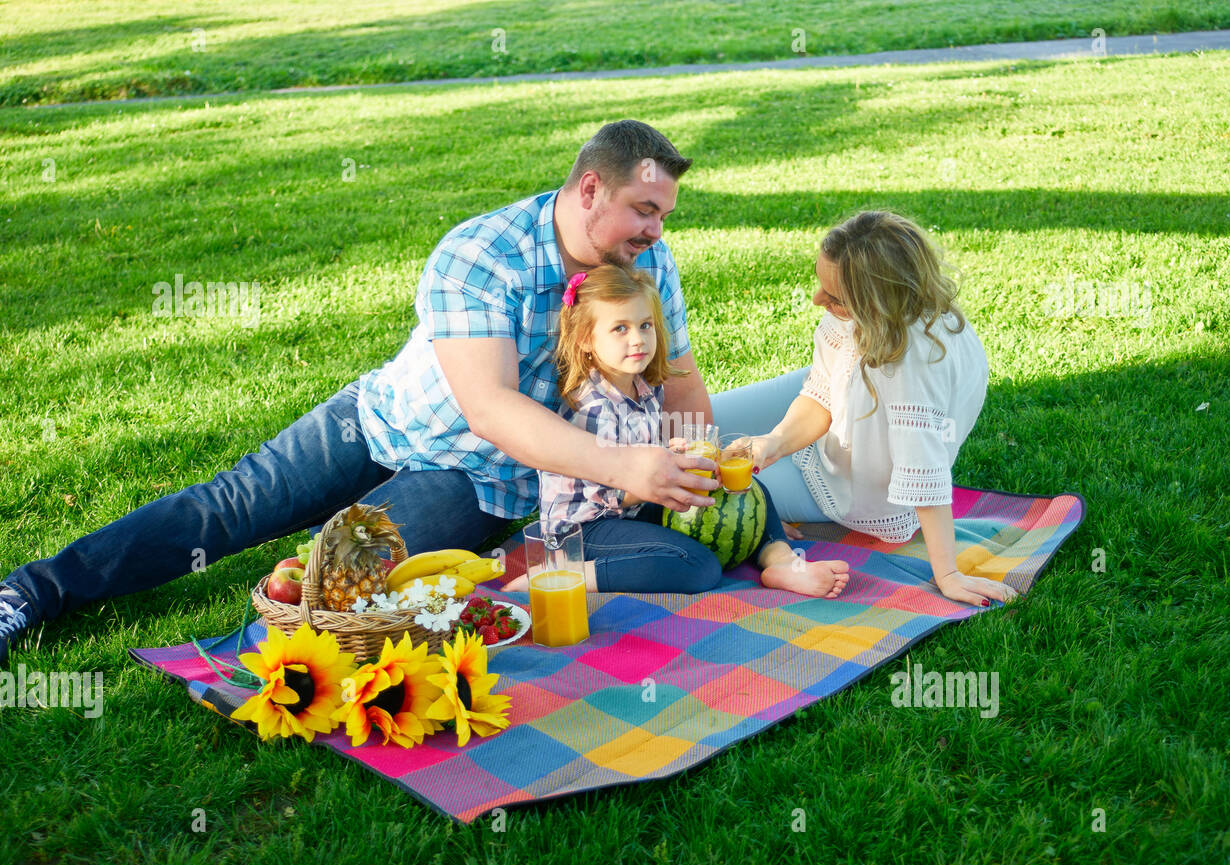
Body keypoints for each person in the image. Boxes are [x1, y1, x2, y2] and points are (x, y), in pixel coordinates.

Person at [0, 120, 719, 664]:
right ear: (590, 189)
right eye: (644, 210)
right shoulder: (482, 254)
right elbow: (491, 406)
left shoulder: (649, 265)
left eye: (663, 216)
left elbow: (679, 375)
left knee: (340, 567)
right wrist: (622, 464)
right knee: (231, 504)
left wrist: (691, 459)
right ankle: (32, 591)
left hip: (479, 480)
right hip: (382, 419)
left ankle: (237, 666)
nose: (655, 231)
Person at [717, 210, 1019, 609]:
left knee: (704, 481)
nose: (817, 300)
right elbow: (822, 392)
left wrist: (948, 574)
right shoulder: (870, 315)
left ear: (876, 302)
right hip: (845, 415)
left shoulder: (911, 368)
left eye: (835, 299)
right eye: (820, 283)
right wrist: (774, 443)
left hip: (850, 484)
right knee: (698, 421)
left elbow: (924, 470)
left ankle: (616, 503)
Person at [499, 265, 849, 597]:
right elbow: (607, 495)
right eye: (619, 329)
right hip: (586, 530)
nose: (637, 339)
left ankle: (779, 558)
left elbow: (650, 453)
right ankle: (564, 576)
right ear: (586, 340)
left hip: (636, 509)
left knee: (744, 483)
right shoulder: (591, 408)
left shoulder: (643, 388)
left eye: (645, 325)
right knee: (697, 567)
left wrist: (679, 458)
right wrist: (668, 475)